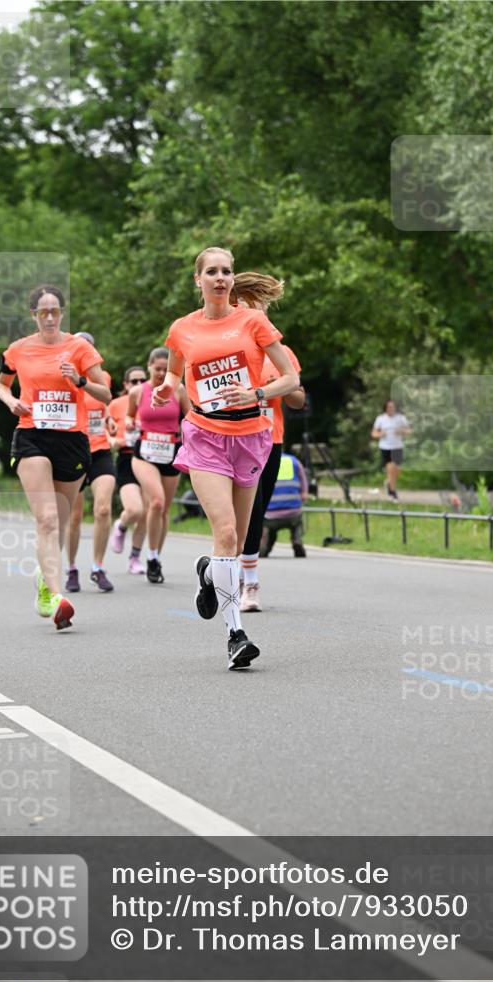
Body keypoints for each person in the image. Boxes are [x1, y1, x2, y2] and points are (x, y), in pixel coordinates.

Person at [153, 247, 299, 670]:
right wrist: (166, 388)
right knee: (229, 532)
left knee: (229, 547)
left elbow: (290, 378)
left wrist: (256, 393)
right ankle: (235, 633)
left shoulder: (253, 322)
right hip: (205, 437)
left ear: (233, 280)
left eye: (227, 271)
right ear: (197, 280)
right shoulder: (182, 329)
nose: (220, 278)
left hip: (252, 435)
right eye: (212, 272)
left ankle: (207, 573)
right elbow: (176, 374)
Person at [0, 285, 111, 630]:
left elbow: (105, 393)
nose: (49, 317)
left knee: (58, 522)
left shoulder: (79, 347)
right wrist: (10, 400)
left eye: (55, 311)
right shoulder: (18, 349)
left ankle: (45, 580)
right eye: (42, 312)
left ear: (62, 313)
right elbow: (1, 383)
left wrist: (78, 381)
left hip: (72, 440)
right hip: (31, 434)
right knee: (46, 519)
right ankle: (57, 597)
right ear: (33, 315)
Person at [233, 274, 305, 611]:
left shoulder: (281, 351)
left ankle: (250, 583)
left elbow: (299, 401)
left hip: (268, 439)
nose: (253, 311)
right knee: (235, 514)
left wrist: (282, 385)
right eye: (246, 303)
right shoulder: (232, 348)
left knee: (257, 508)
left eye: (258, 305)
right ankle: (234, 573)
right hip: (232, 436)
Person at [128, 347, 190, 583]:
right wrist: (126, 424)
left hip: (170, 452)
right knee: (157, 501)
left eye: (166, 370)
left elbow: (190, 416)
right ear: (149, 366)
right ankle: (149, 555)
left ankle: (154, 557)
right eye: (158, 369)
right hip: (144, 452)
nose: (162, 373)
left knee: (164, 511)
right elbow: (128, 416)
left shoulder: (179, 389)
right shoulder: (137, 392)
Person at [64, 333, 116, 593]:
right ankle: (72, 568)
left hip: (100, 449)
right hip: (73, 449)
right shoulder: (59, 376)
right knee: (74, 517)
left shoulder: (102, 377)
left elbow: (105, 401)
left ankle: (97, 566)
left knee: (104, 509)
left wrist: (109, 419)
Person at [108, 366, 148, 574]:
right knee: (135, 509)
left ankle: (134, 557)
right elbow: (104, 432)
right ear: (125, 385)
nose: (139, 385)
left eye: (143, 380)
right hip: (126, 458)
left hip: (151, 459)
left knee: (146, 514)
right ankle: (121, 525)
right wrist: (114, 440)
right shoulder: (116, 405)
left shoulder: (154, 401)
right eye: (134, 381)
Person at [260, 452, 309, 558]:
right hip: (293, 513)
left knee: (268, 528)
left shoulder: (263, 460)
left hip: (270, 516)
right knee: (297, 524)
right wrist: (303, 494)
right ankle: (297, 540)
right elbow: (304, 484)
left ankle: (264, 546)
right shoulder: (294, 461)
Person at [371, 399, 411, 501]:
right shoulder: (380, 419)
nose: (391, 409)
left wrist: (401, 431)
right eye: (389, 407)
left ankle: (388, 482)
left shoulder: (400, 418)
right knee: (390, 469)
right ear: (385, 408)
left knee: (397, 470)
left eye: (393, 407)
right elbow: (374, 433)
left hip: (397, 447)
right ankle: (393, 493)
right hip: (385, 447)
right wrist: (381, 434)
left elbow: (409, 430)